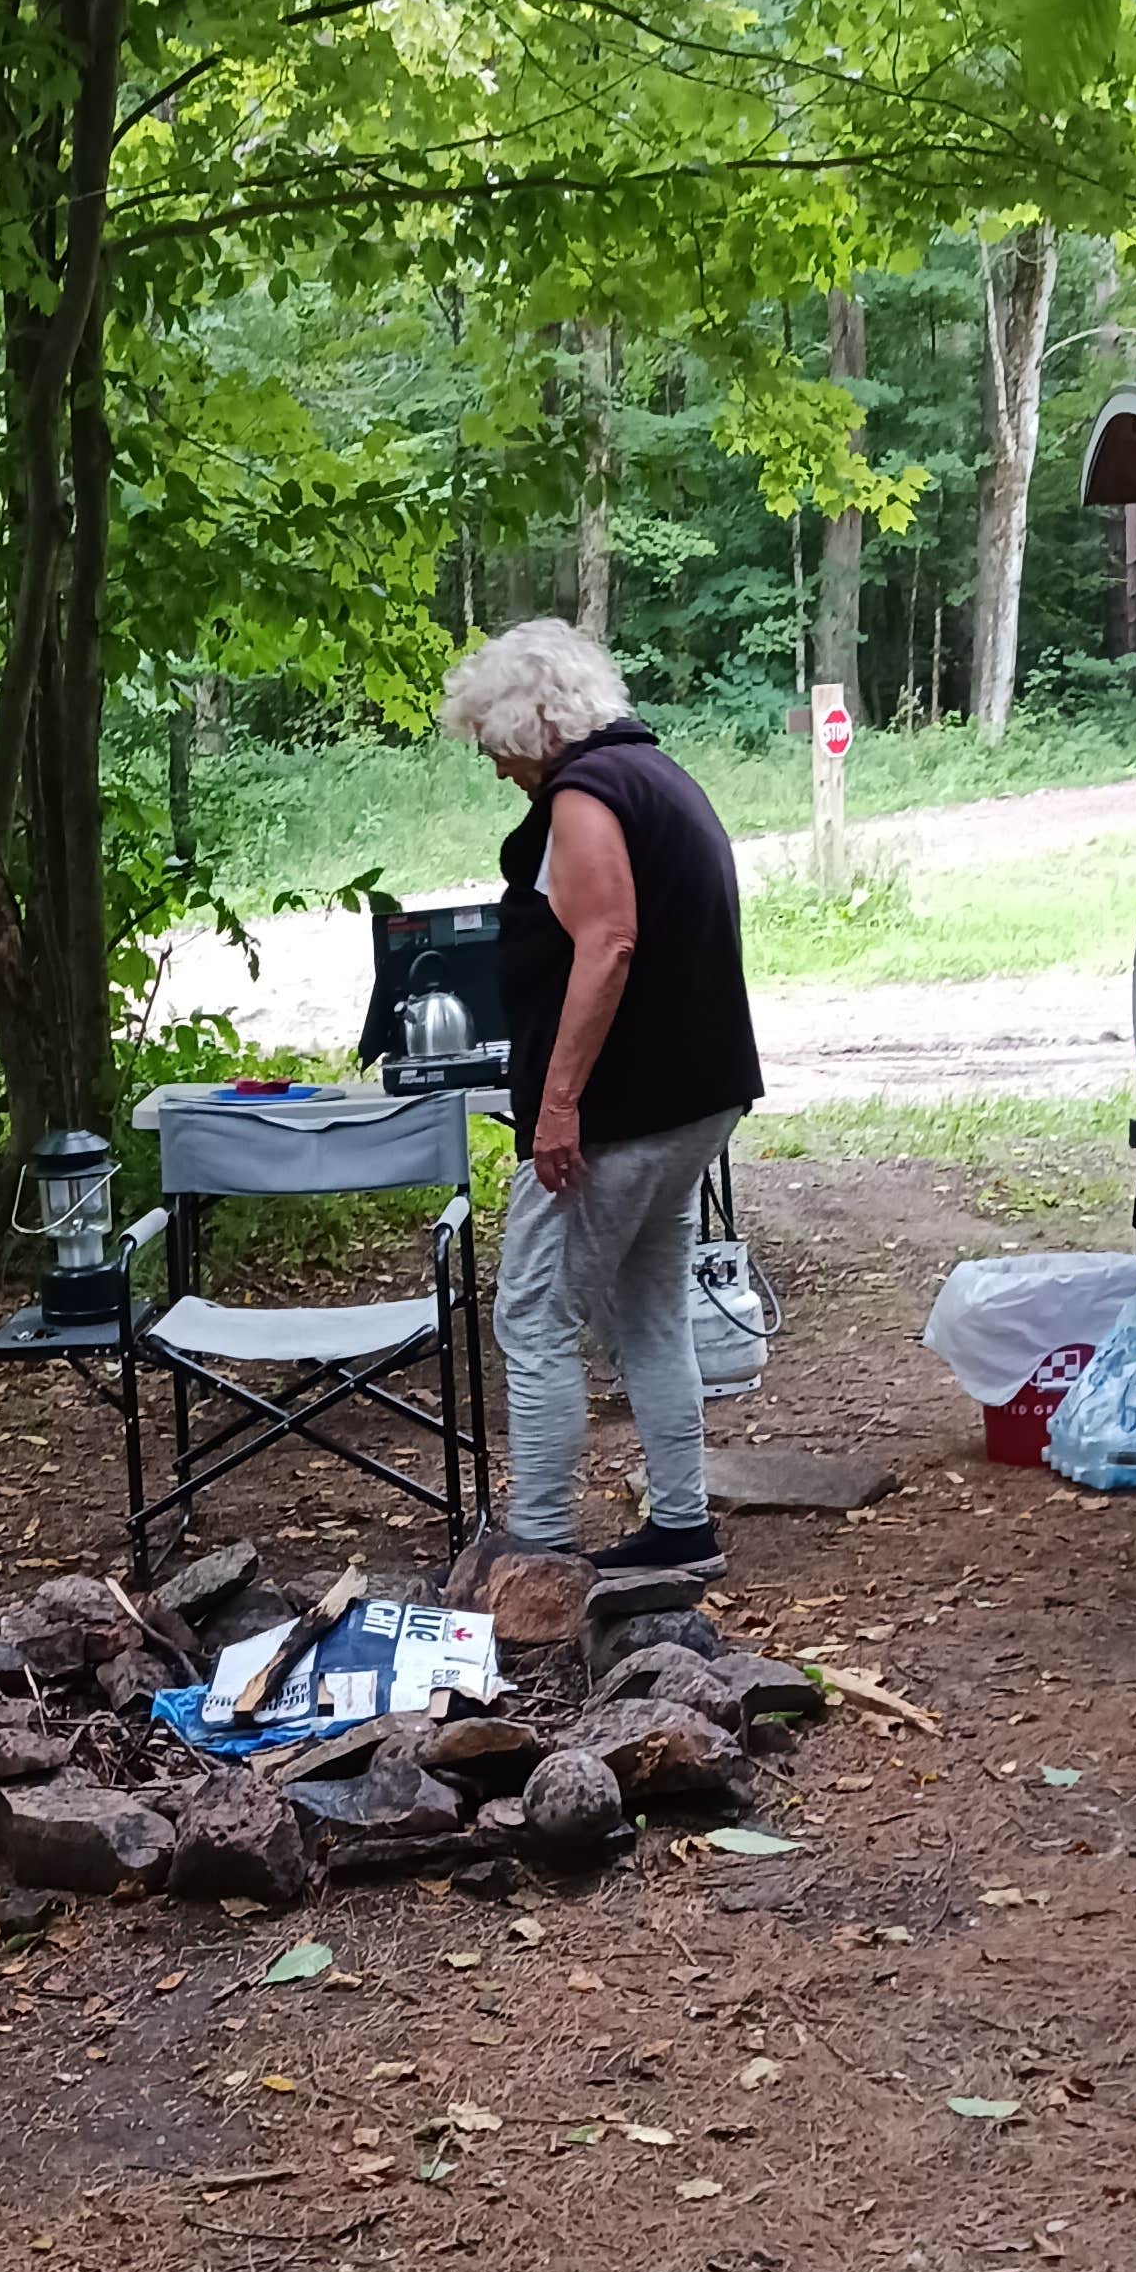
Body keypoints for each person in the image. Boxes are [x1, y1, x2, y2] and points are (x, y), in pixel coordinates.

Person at [436, 616, 763, 1579]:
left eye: (496, 746)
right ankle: (681, 1526)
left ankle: (537, 1546)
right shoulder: (657, 776)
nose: (498, 769)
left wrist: (557, 1105)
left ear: (535, 722)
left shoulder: (586, 795)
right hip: (692, 1097)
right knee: (650, 1307)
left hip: (624, 1110)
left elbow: (609, 942)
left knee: (532, 1315)